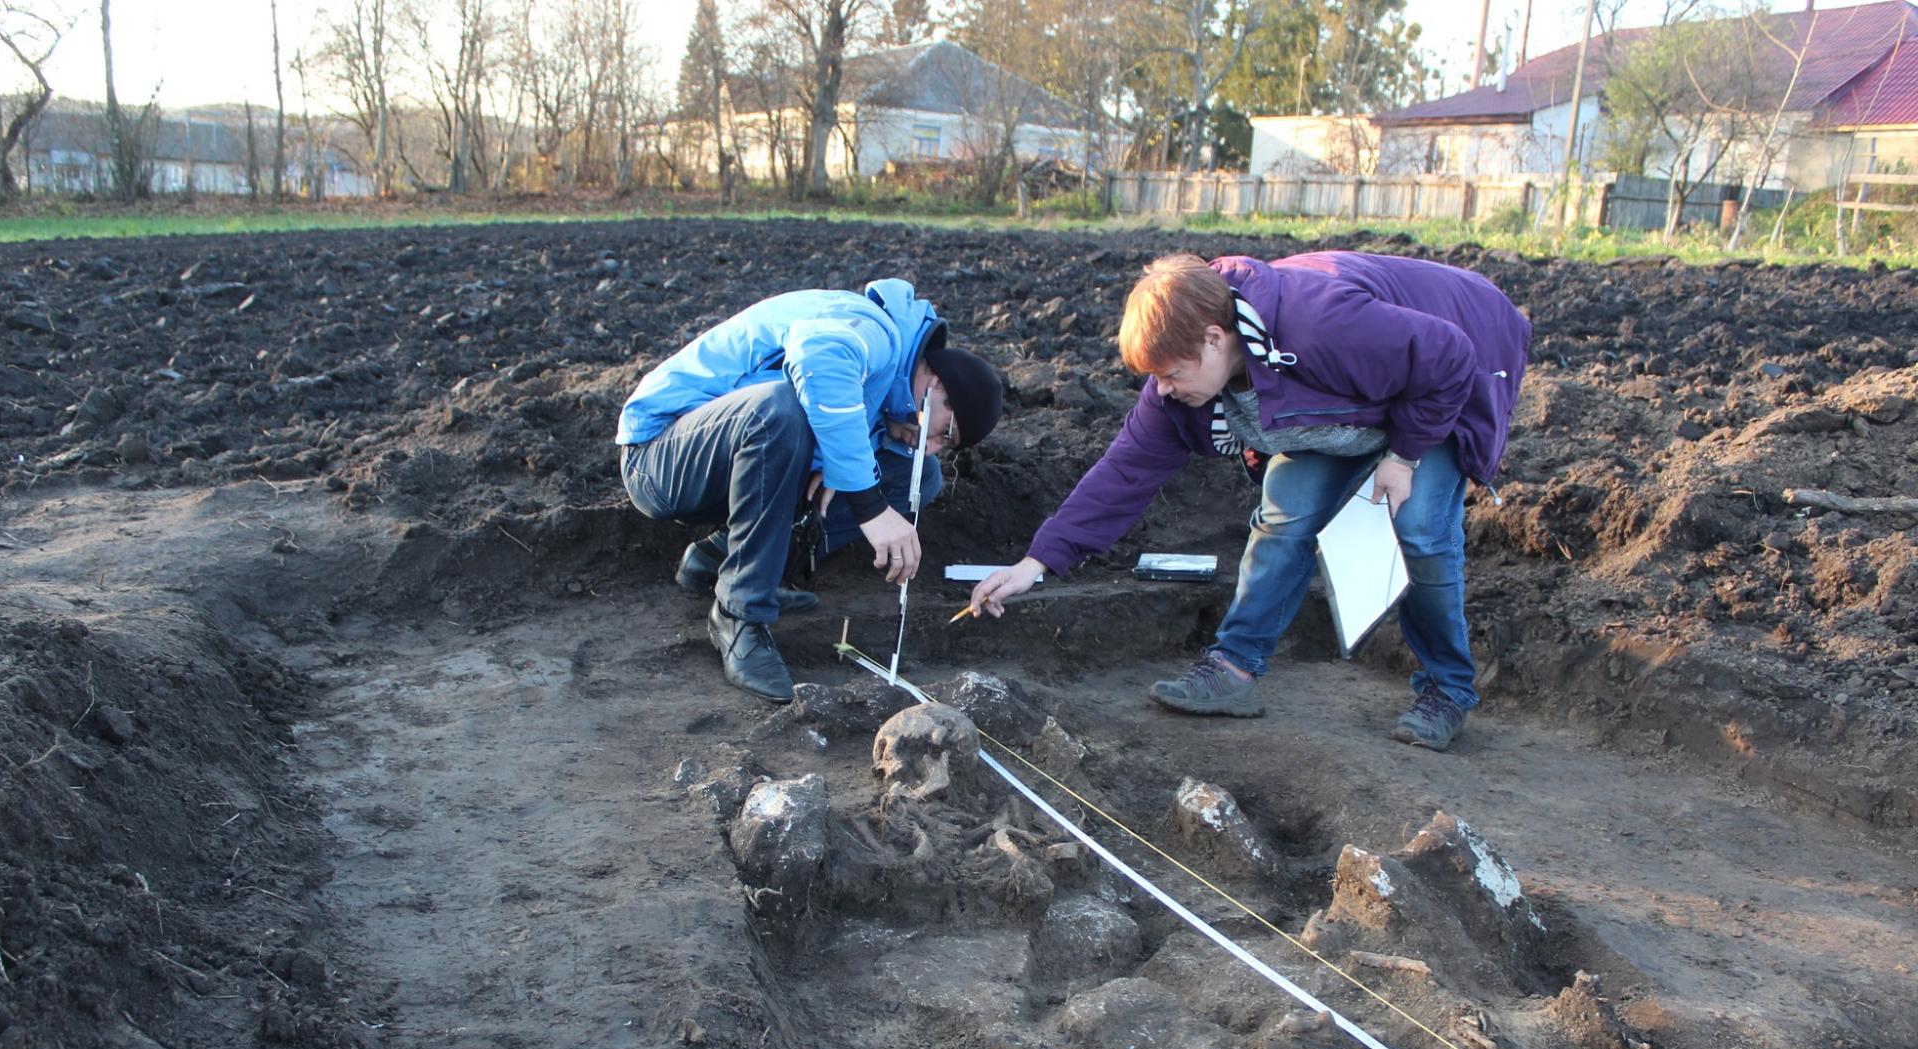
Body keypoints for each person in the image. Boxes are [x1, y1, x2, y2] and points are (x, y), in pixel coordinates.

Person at [970, 252, 1531, 751]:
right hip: (1339, 403)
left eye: (1170, 375)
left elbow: (1447, 357)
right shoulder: (1179, 391)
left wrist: (1404, 456)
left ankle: (1448, 690)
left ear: (1215, 340)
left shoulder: (1320, 326)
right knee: (1285, 517)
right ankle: (1233, 670)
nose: (1162, 389)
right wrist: (1037, 562)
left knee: (1421, 528)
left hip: (1452, 365)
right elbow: (1123, 473)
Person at [617, 280, 1003, 702]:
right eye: (943, 430)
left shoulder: (889, 399)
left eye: (946, 445)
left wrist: (835, 464)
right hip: (659, 455)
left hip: (727, 456)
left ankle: (726, 557)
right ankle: (738, 613)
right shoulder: (877, 331)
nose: (930, 444)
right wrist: (868, 505)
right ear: (934, 381)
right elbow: (817, 359)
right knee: (778, 411)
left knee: (919, 475)